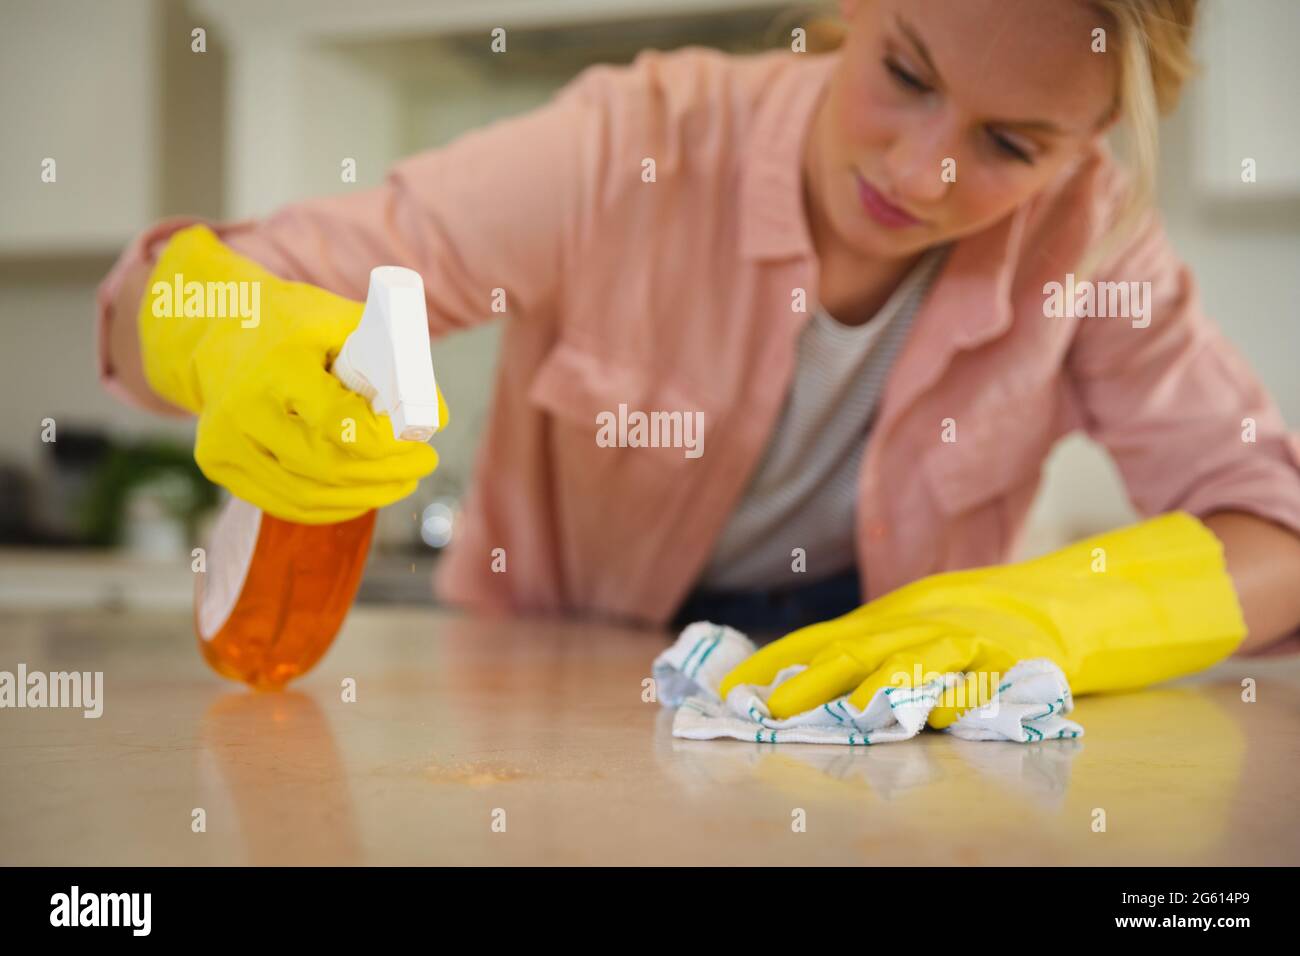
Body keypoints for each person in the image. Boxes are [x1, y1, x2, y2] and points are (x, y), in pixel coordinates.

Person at [98, 0, 1300, 701]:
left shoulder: (1091, 241)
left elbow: (1273, 528)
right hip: (554, 710)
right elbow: (155, 295)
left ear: (1090, 146)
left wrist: (1054, 617)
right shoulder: (630, 141)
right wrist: (230, 334)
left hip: (872, 735)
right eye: (903, 74)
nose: (918, 174)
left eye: (1011, 145)